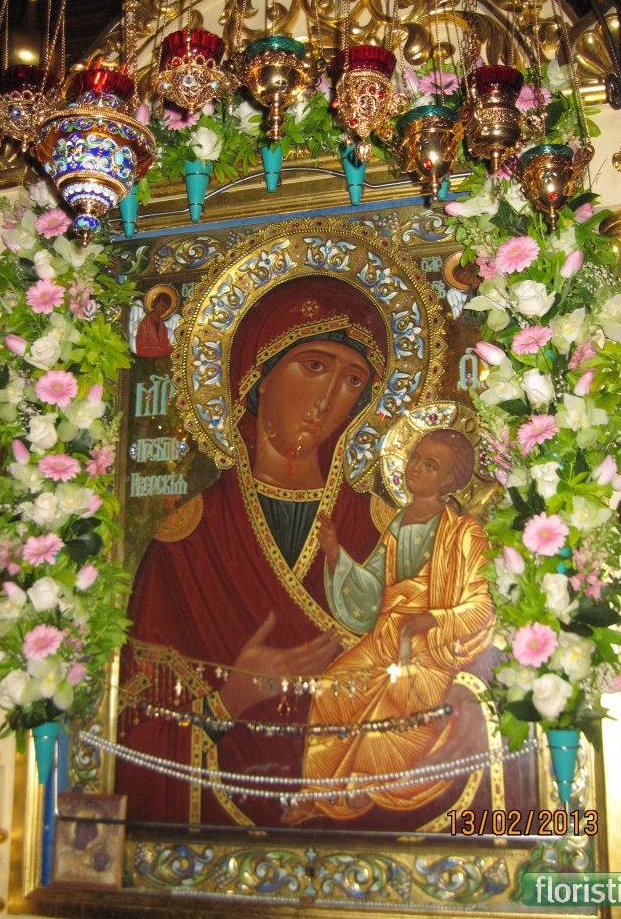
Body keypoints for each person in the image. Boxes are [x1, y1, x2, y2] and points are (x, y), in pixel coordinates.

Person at [117, 274, 392, 827]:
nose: (328, 399)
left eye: (352, 380)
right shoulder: (187, 543)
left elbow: (439, 688)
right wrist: (231, 698)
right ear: (256, 375)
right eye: (313, 366)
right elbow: (129, 735)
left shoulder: (382, 530)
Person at [285, 428, 495, 824]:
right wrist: (335, 554)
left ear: (449, 480)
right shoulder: (398, 524)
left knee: (395, 698)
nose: (415, 468)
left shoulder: (464, 533)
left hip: (430, 645)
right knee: (333, 686)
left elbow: (481, 606)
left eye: (430, 465)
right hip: (385, 636)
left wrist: (433, 618)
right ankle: (317, 789)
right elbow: (372, 591)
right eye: (415, 458)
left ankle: (363, 784)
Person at [134, 290, 175, 357]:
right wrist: (159, 349)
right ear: (155, 304)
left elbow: (165, 344)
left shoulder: (162, 326)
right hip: (147, 360)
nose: (163, 310)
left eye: (166, 308)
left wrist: (173, 348)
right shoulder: (145, 324)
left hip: (161, 358)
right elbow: (140, 348)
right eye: (162, 306)